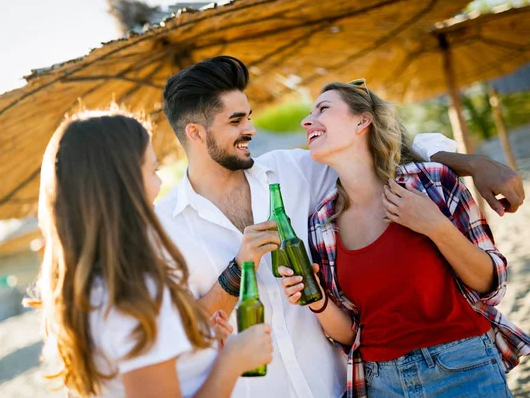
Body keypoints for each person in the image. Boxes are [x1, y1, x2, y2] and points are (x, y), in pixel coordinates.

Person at [155, 55, 524, 398]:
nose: (251, 128)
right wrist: (238, 271)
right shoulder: (162, 228)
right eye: (236, 121)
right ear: (196, 134)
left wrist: (475, 164)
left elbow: (379, 152)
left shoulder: (292, 170)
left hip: (338, 387)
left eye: (249, 115)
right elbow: (174, 329)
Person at [280, 80, 530, 397]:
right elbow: (351, 332)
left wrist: (436, 226)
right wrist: (315, 299)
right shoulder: (321, 223)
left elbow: (492, 284)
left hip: (464, 370)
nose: (307, 120)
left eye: (323, 108)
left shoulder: (432, 181)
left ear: (362, 120)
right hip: (380, 383)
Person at [29, 109, 273, 398]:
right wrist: (232, 362)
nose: (159, 185)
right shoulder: (132, 295)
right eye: (153, 171)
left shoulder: (90, 289)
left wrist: (197, 344)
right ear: (126, 184)